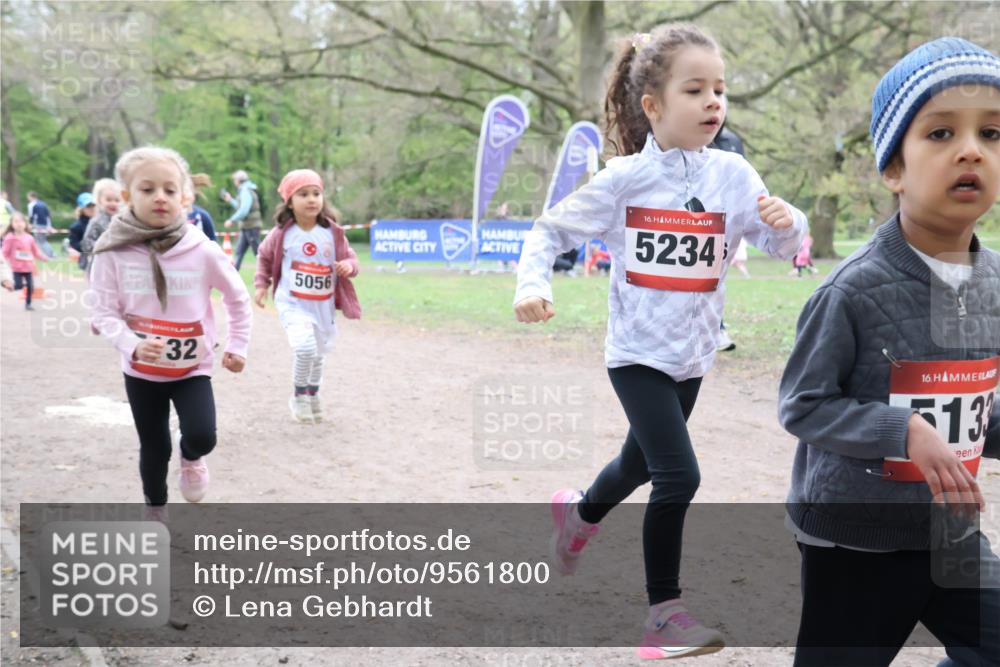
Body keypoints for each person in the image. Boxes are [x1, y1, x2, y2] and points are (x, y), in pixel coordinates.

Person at [513, 24, 807, 659]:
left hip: (693, 356)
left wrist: (791, 221)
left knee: (640, 464)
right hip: (636, 356)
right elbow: (547, 232)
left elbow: (783, 246)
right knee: (678, 475)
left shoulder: (733, 173)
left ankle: (579, 515)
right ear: (652, 106)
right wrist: (531, 287)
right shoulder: (623, 180)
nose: (713, 103)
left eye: (720, 90)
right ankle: (663, 615)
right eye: (695, 89)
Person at [779, 37, 1000, 666]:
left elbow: (977, 409)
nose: (971, 149)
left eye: (991, 133)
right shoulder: (851, 290)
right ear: (894, 169)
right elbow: (804, 405)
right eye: (940, 133)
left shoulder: (995, 282)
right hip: (856, 543)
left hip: (950, 536)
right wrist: (902, 431)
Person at [89, 146, 252, 522]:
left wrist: (238, 344)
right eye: (147, 190)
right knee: (154, 446)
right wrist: (132, 344)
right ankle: (156, 508)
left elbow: (237, 299)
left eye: (169, 190)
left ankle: (192, 456)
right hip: (142, 372)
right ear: (127, 197)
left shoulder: (203, 250)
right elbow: (102, 311)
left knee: (203, 435)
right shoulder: (110, 252)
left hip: (191, 368)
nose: (160, 197)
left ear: (184, 197)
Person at [254, 169, 360, 424]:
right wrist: (261, 285)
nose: (311, 199)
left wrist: (349, 265)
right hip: (292, 302)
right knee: (305, 347)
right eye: (303, 194)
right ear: (290, 201)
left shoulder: (332, 232)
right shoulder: (281, 234)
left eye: (316, 193)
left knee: (319, 354)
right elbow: (264, 257)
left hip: (322, 305)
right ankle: (299, 396)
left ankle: (313, 394)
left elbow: (351, 257)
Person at [1, 211, 49, 310]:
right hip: (16, 268)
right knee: (18, 285)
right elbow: (4, 253)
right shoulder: (9, 238)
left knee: (31, 287)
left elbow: (35, 252)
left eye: (21, 221)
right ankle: (9, 285)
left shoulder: (29, 238)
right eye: (16, 221)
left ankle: (28, 304)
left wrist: (44, 258)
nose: (19, 224)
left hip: (28, 267)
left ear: (25, 224)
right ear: (12, 224)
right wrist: (2, 263)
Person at [222, 169, 263, 270]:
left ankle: (267, 274)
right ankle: (233, 277)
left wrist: (232, 220)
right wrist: (230, 200)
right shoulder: (246, 190)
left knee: (258, 253)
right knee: (239, 252)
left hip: (251, 226)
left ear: (239, 180)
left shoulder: (245, 191)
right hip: (247, 226)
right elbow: (241, 207)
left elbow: (244, 210)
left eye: (235, 179)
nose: (234, 181)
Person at [81, 178, 124, 272]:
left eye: (117, 200)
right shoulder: (96, 221)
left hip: (119, 263)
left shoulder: (123, 220)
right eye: (108, 200)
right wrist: (103, 247)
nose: (113, 203)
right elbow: (87, 242)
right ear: (99, 201)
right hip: (100, 264)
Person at [68, 193, 96, 267]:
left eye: (93, 205)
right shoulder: (76, 226)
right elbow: (74, 243)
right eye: (88, 206)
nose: (92, 208)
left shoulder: (101, 222)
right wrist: (88, 247)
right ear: (82, 208)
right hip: (87, 260)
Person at [187, 173, 217, 241]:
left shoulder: (202, 216)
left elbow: (213, 240)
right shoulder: (172, 218)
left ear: (193, 194)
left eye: (188, 192)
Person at [26, 191, 55, 258]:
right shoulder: (43, 204)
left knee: (40, 241)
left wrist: (30, 224)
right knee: (42, 240)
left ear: (31, 197)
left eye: (28, 197)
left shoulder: (31, 205)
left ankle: (49, 254)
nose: (28, 199)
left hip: (37, 225)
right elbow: (48, 215)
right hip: (45, 224)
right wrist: (49, 225)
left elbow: (32, 216)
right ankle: (48, 254)